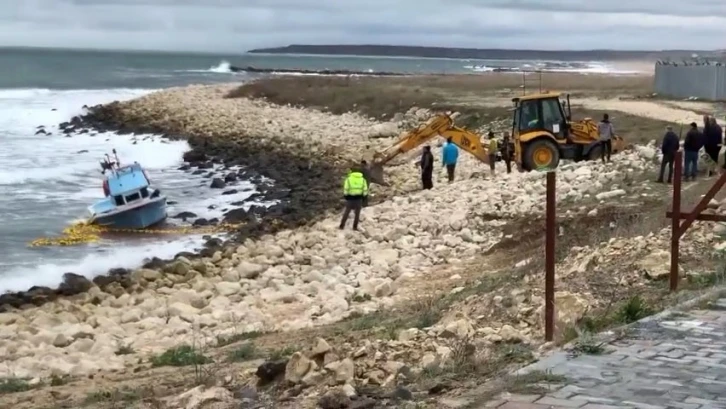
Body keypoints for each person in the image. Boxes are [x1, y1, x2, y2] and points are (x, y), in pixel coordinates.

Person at [339, 165, 368, 230]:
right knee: (357, 214)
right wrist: (364, 197)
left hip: (350, 198)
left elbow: (346, 189)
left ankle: (342, 225)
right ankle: (355, 227)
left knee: (346, 212)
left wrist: (346, 196)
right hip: (359, 198)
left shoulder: (348, 179)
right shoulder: (363, 180)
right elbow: (365, 190)